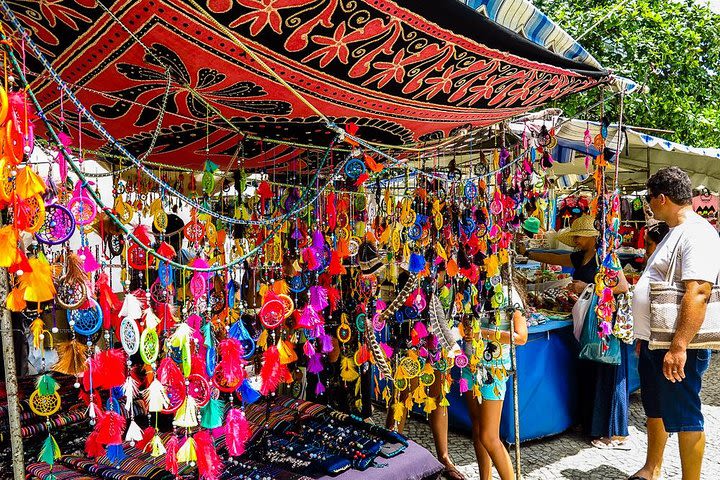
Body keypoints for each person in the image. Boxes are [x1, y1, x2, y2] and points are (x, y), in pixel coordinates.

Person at [629, 167, 719, 480]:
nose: (649, 206)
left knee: (685, 414)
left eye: (649, 199)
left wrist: (679, 346)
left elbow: (698, 291)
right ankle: (652, 469)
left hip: (677, 345)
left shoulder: (697, 233)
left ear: (662, 198)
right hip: (656, 341)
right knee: (655, 407)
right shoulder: (676, 232)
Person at [517, 214, 631, 447]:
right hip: (587, 321)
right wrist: (527, 253)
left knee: (603, 372)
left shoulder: (605, 257)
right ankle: (590, 424)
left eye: (579, 236)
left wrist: (587, 286)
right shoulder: (582, 257)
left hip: (602, 324)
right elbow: (554, 257)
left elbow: (621, 286)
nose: (576, 240)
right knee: (589, 372)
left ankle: (608, 431)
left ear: (591, 237)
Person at [463, 271, 528, 480]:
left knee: (489, 435)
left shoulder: (510, 296)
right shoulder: (471, 289)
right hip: (471, 365)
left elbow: (521, 337)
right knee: (477, 427)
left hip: (495, 370)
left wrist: (483, 333)